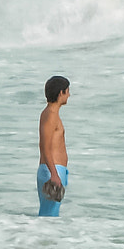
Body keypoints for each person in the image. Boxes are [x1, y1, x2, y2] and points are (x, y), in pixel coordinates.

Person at [38, 76, 70, 217]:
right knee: (48, 217)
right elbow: (44, 147)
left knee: (49, 215)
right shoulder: (50, 115)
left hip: (53, 170)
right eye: (67, 91)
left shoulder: (50, 114)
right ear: (60, 93)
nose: (69, 95)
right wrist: (54, 174)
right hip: (52, 170)